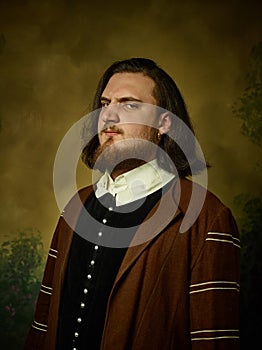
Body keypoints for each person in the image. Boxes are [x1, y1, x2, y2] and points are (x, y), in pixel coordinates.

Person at [24, 58, 240, 350]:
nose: (109, 117)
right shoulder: (76, 207)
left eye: (129, 104)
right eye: (105, 103)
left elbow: (214, 342)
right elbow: (41, 328)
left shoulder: (206, 217)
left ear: (164, 123)